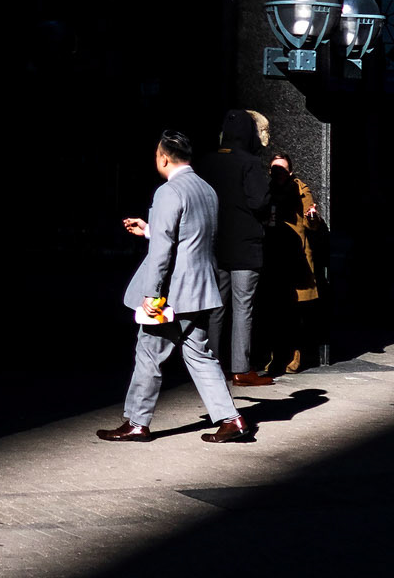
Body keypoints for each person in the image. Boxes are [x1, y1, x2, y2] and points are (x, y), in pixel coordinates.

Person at [97, 130, 251, 445]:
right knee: (199, 353)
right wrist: (151, 229)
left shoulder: (169, 192)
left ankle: (137, 423)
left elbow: (163, 251)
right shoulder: (206, 189)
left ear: (164, 158)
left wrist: (151, 295)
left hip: (172, 293)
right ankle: (231, 419)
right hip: (200, 287)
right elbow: (190, 236)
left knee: (148, 353)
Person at [199, 109, 275, 387]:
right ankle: (241, 369)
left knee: (215, 308)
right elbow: (259, 202)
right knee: (243, 307)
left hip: (214, 244)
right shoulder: (250, 162)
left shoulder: (207, 161)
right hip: (245, 246)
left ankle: (211, 365)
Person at [260, 151, 323, 374]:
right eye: (274, 169)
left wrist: (313, 216)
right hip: (272, 255)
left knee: (295, 311)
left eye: (282, 170)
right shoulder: (264, 189)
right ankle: (275, 356)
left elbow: (312, 222)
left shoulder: (300, 189)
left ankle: (296, 355)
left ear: (290, 172)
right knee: (274, 310)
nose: (278, 173)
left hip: (295, 257)